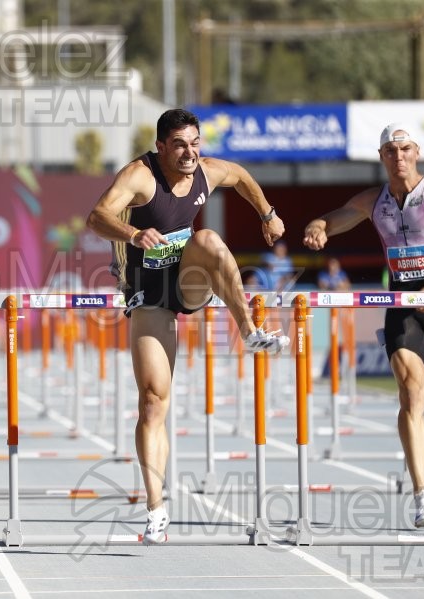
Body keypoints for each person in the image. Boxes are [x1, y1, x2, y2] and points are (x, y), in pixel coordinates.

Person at [86, 108, 289, 545]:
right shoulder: (139, 176)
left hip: (187, 280)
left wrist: (267, 213)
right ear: (161, 147)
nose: (190, 152)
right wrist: (131, 233)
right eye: (179, 144)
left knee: (208, 240)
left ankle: (250, 331)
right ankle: (156, 508)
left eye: (195, 143)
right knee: (152, 402)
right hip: (148, 293)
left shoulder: (206, 171)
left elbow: (238, 175)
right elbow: (96, 217)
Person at [302, 123, 424, 529]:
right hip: (401, 305)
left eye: (404, 149)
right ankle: (422, 493)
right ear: (381, 157)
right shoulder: (373, 200)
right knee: (409, 392)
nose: (398, 156)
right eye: (390, 151)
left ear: (416, 151)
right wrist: (317, 225)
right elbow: (333, 220)